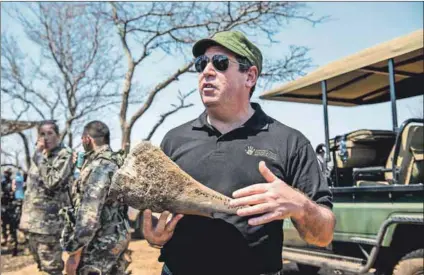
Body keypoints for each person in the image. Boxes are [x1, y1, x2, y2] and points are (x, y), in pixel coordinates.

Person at [142, 30, 336, 275]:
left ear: (250, 76)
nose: (206, 72)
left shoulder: (289, 142)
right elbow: (155, 211)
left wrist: (300, 206)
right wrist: (154, 235)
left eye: (220, 63)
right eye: (201, 64)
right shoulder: (175, 139)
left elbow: (324, 235)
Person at [62, 120, 131, 275]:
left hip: (99, 244)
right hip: (116, 238)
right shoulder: (117, 161)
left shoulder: (100, 167)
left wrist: (74, 251)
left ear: (87, 139)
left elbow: (89, 217)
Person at [19, 120, 74, 274]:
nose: (46, 138)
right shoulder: (41, 155)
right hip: (33, 223)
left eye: (50, 133)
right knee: (41, 266)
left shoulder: (64, 155)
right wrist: (24, 220)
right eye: (42, 134)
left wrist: (38, 155)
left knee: (51, 268)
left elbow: (52, 182)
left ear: (58, 135)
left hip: (49, 225)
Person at [1, 168, 19, 256]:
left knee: (13, 229)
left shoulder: (13, 183)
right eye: (5, 173)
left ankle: (14, 248)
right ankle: (5, 239)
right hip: (4, 208)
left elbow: (17, 195)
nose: (6, 175)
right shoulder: (2, 183)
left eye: (7, 173)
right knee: (3, 226)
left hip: (12, 208)